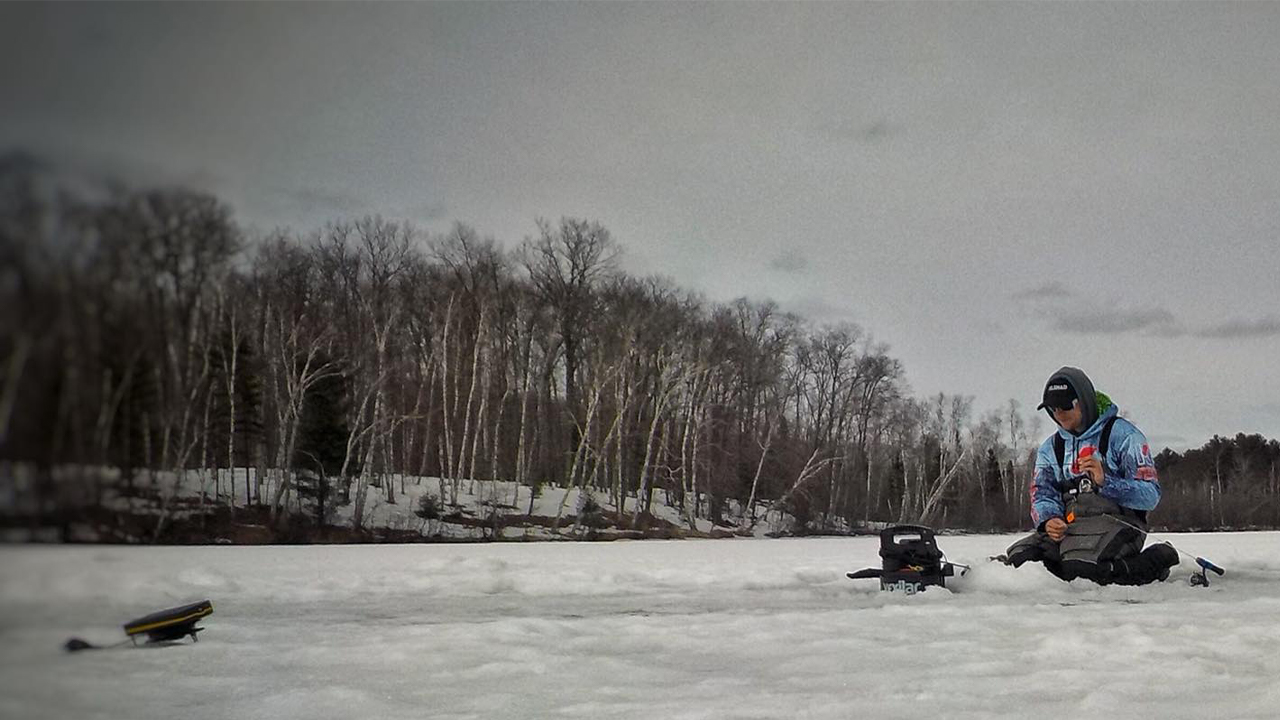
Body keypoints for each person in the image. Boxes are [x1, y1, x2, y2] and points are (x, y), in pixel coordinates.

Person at [1002, 366, 1179, 585]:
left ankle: (1159, 559)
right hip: (1071, 526)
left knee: (1081, 570)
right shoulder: (1051, 448)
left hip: (1119, 522)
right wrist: (1049, 519)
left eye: (1066, 406)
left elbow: (1150, 496)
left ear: (1084, 401)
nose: (1059, 413)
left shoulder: (1124, 436)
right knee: (1020, 562)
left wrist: (1106, 482)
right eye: (1053, 408)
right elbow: (1042, 492)